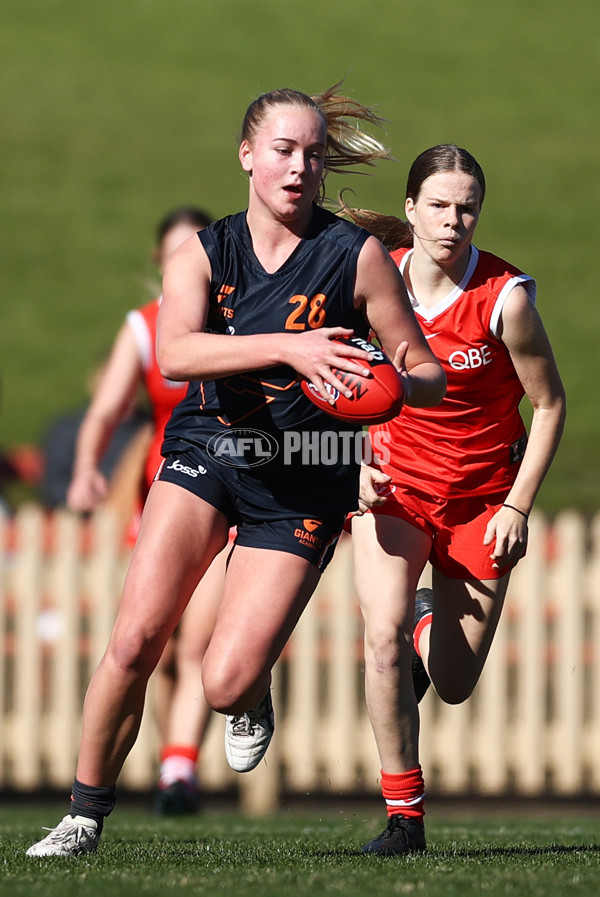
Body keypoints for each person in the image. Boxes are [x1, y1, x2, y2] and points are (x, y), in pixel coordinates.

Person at [26, 83, 445, 857]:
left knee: (221, 681)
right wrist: (293, 346)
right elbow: (177, 352)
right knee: (135, 637)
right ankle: (83, 815)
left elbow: (425, 370)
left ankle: (248, 695)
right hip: (209, 450)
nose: (299, 167)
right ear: (247, 156)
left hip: (307, 472)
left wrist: (385, 383)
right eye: (284, 150)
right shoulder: (206, 251)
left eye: (314, 155)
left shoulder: (355, 259)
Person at [350, 144, 566, 855]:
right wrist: (351, 463)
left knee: (451, 681)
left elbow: (551, 405)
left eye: (466, 206)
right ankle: (404, 818)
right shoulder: (372, 286)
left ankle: (425, 627)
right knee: (377, 640)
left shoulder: (506, 300)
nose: (453, 220)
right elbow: (332, 383)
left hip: (480, 501)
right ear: (410, 210)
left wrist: (517, 508)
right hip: (396, 491)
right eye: (438, 206)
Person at [64, 205, 224, 815]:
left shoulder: (239, 321)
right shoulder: (144, 327)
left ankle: (180, 770)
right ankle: (171, 765)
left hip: (227, 490)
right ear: (161, 262)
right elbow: (104, 412)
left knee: (198, 641)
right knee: (152, 640)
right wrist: (86, 469)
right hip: (163, 492)